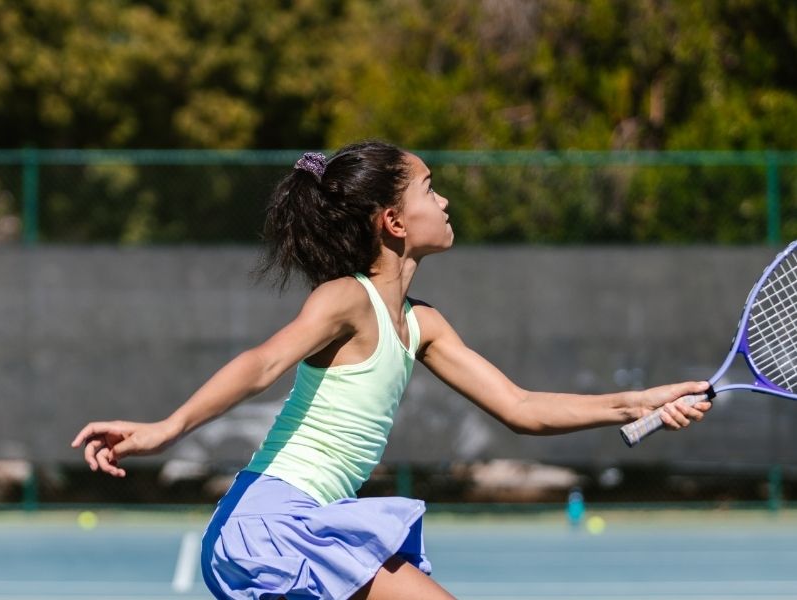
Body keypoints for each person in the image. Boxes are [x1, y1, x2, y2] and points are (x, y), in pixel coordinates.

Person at [71, 141, 711, 600]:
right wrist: (166, 428)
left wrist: (641, 402)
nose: (446, 197)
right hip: (269, 527)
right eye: (431, 187)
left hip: (303, 526)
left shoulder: (421, 323)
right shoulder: (345, 298)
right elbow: (262, 363)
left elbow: (521, 408)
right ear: (396, 221)